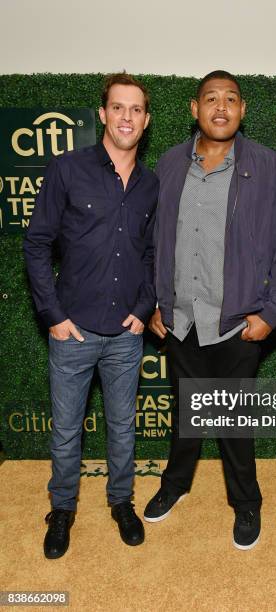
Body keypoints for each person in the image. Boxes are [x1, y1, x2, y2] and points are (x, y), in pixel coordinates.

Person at [144, 70, 276, 550]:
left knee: (234, 423)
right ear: (194, 109)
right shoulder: (169, 164)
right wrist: (156, 302)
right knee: (186, 412)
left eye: (230, 99)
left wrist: (270, 314)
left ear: (242, 108)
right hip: (182, 320)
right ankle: (175, 485)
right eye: (210, 98)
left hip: (237, 322)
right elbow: (153, 242)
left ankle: (246, 502)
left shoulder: (268, 166)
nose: (220, 107)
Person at [23, 72, 158, 558]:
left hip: (126, 332)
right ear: (103, 114)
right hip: (72, 330)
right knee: (65, 428)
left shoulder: (150, 184)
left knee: (123, 426)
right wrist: (53, 314)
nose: (126, 117)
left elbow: (150, 255)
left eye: (136, 109)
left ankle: (122, 501)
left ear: (145, 120)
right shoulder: (67, 168)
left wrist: (145, 310)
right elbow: (37, 243)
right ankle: (62, 510)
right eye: (118, 108)